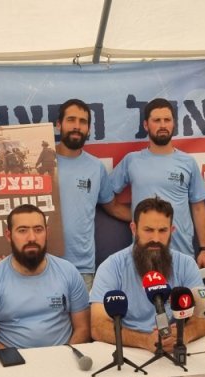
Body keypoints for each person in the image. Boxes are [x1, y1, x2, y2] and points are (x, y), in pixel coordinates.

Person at [90, 197, 205, 352]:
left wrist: (184, 335)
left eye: (163, 231)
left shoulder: (186, 264)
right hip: (128, 349)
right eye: (148, 230)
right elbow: (98, 326)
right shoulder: (112, 267)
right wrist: (144, 341)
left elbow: (203, 317)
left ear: (172, 231)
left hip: (173, 348)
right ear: (134, 229)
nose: (156, 239)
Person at [108, 98, 205, 267]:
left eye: (167, 120)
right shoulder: (132, 160)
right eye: (157, 120)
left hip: (181, 254)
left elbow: (199, 208)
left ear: (173, 124)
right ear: (146, 125)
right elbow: (106, 196)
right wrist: (134, 215)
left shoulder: (188, 162)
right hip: (144, 255)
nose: (163, 125)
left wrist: (204, 249)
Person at [0, 204, 90, 350]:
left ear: (47, 233)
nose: (32, 238)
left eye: (38, 230)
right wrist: (17, 361)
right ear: (9, 235)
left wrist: (66, 356)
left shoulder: (69, 272)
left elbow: (83, 329)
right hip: (13, 361)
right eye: (22, 230)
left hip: (64, 358)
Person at [54, 98, 130, 290]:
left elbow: (113, 207)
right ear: (58, 124)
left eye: (83, 121)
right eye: (71, 120)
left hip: (82, 270)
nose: (77, 126)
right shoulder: (38, 164)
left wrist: (144, 219)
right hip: (41, 265)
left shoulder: (96, 167)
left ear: (88, 129)